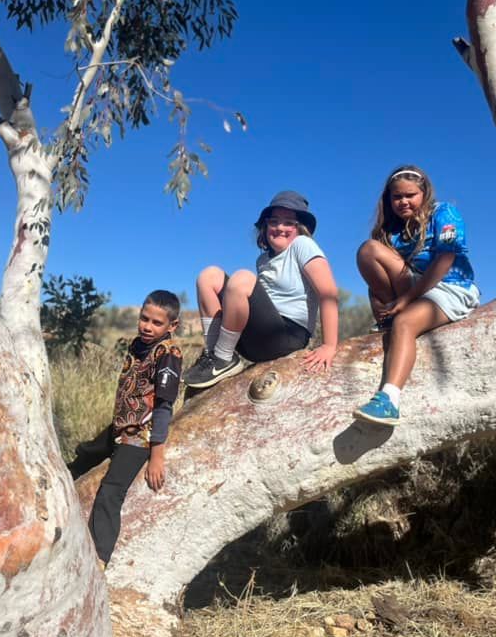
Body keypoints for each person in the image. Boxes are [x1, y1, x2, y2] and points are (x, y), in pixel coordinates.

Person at [352, 165, 479, 426]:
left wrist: (407, 300)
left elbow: (446, 258)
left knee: (405, 323)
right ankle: (390, 323)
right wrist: (381, 306)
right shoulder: (392, 231)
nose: (403, 201)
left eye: (410, 195)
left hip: (451, 286)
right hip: (416, 286)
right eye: (397, 197)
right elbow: (379, 277)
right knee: (369, 250)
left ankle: (389, 401)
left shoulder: (444, 213)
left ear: (424, 193)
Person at [67, 290, 183, 568]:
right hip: (121, 427)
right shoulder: (137, 345)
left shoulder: (168, 353)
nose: (147, 326)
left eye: (157, 323)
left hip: (141, 436)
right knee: (85, 454)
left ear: (172, 326)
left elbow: (164, 406)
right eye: (145, 318)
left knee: (110, 491)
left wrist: (157, 455)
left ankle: (99, 557)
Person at [183, 190, 339, 388]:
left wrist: (329, 345)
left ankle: (222, 358)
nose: (279, 227)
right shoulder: (263, 260)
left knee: (242, 279)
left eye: (288, 222)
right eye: (274, 221)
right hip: (256, 338)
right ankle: (215, 355)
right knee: (209, 276)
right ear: (265, 226)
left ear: (299, 228)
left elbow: (328, 294)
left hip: (287, 336)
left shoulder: (303, 245)